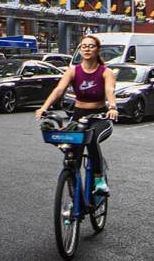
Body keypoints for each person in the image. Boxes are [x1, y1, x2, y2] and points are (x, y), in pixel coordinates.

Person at [36, 34, 119, 193]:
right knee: (73, 152)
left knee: (91, 138)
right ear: (80, 50)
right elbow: (59, 90)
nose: (87, 49)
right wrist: (44, 107)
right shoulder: (73, 70)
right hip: (78, 115)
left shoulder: (105, 72)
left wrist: (113, 107)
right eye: (83, 46)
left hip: (100, 118)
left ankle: (99, 178)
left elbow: (110, 90)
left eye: (91, 46)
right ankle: (73, 190)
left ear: (97, 50)